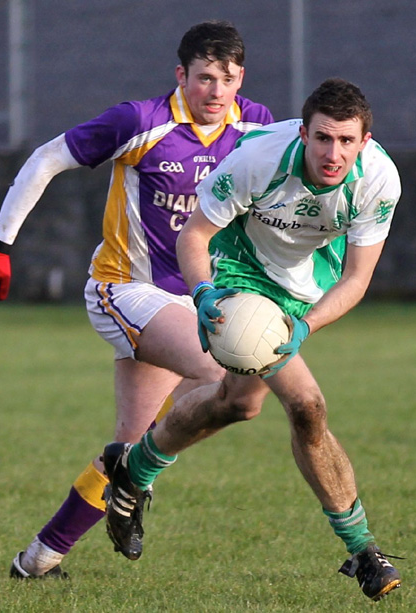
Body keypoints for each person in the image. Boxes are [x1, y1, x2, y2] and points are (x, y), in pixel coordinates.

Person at [0, 21, 274, 577]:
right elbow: (46, 159)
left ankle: (36, 560)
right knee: (223, 378)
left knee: (134, 447)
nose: (215, 91)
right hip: (124, 290)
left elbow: (307, 163)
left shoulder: (256, 126)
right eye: (203, 77)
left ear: (241, 79)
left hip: (193, 304)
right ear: (180, 75)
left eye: (225, 79)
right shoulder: (141, 121)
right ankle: (134, 480)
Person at [101, 78, 403, 602]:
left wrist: (305, 325)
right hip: (242, 273)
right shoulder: (257, 159)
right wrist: (201, 293)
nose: (334, 154)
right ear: (303, 133)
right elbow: (193, 235)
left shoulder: (378, 180)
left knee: (237, 405)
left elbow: (356, 279)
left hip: (304, 287)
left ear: (365, 140)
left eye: (347, 141)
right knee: (307, 405)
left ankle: (133, 466)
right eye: (324, 138)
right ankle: (362, 550)